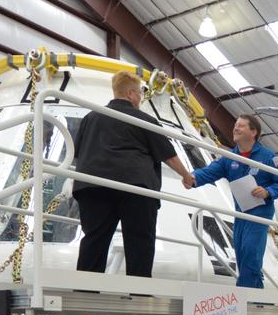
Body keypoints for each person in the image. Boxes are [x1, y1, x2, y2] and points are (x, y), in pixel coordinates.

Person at [71, 70, 196, 277]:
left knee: (94, 238)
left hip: (92, 186)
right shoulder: (143, 119)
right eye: (139, 93)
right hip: (135, 187)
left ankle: (86, 289)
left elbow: (77, 153)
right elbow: (168, 155)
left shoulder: (89, 118)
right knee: (139, 240)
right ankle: (139, 291)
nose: (140, 98)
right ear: (130, 94)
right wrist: (186, 176)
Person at [191, 114, 278, 288]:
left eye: (241, 126)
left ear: (253, 132)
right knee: (242, 254)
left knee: (251, 252)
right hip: (240, 212)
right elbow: (209, 172)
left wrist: (268, 191)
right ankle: (253, 293)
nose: (235, 128)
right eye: (236, 125)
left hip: (259, 212)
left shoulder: (268, 157)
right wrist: (191, 178)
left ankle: (246, 294)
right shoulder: (229, 158)